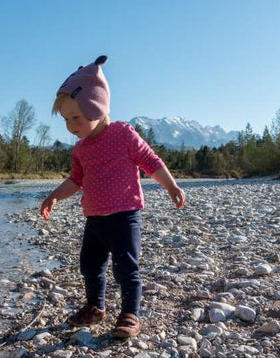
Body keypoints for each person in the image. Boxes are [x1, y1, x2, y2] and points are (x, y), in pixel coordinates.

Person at [40, 55, 185, 338]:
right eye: (66, 119)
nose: (70, 125)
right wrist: (54, 196)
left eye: (75, 117)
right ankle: (96, 306)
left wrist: (171, 185)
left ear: (96, 107)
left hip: (124, 217)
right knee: (90, 265)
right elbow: (76, 180)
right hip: (94, 219)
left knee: (126, 269)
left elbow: (150, 161)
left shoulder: (123, 134)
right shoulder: (81, 149)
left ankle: (130, 314)